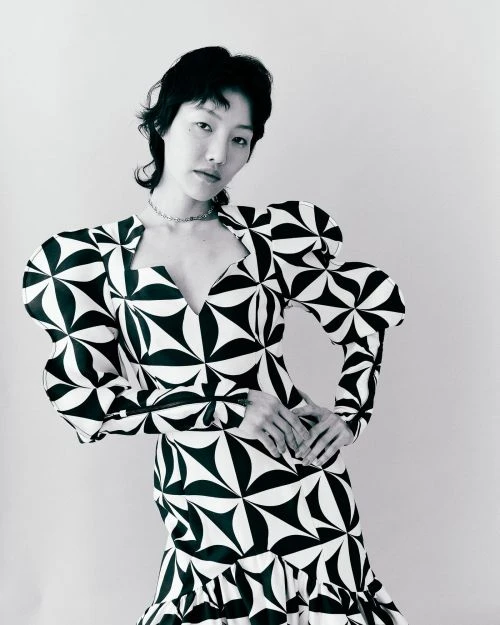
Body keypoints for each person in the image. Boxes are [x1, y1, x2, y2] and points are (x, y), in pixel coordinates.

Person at [22, 46, 408, 624]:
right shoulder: (90, 260)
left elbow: (368, 306)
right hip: (201, 503)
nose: (217, 153)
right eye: (203, 125)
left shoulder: (269, 241)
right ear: (162, 123)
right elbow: (86, 403)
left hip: (307, 495)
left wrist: (353, 412)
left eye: (239, 139)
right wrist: (221, 406)